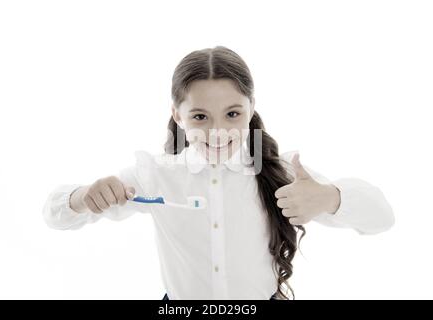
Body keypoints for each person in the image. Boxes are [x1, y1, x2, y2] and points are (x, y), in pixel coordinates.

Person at [42, 46, 395, 300]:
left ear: (251, 108)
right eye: (200, 117)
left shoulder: (281, 172)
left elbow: (382, 218)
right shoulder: (155, 176)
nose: (217, 132)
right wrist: (83, 197)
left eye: (232, 114)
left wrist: (330, 197)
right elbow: (54, 215)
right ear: (177, 115)